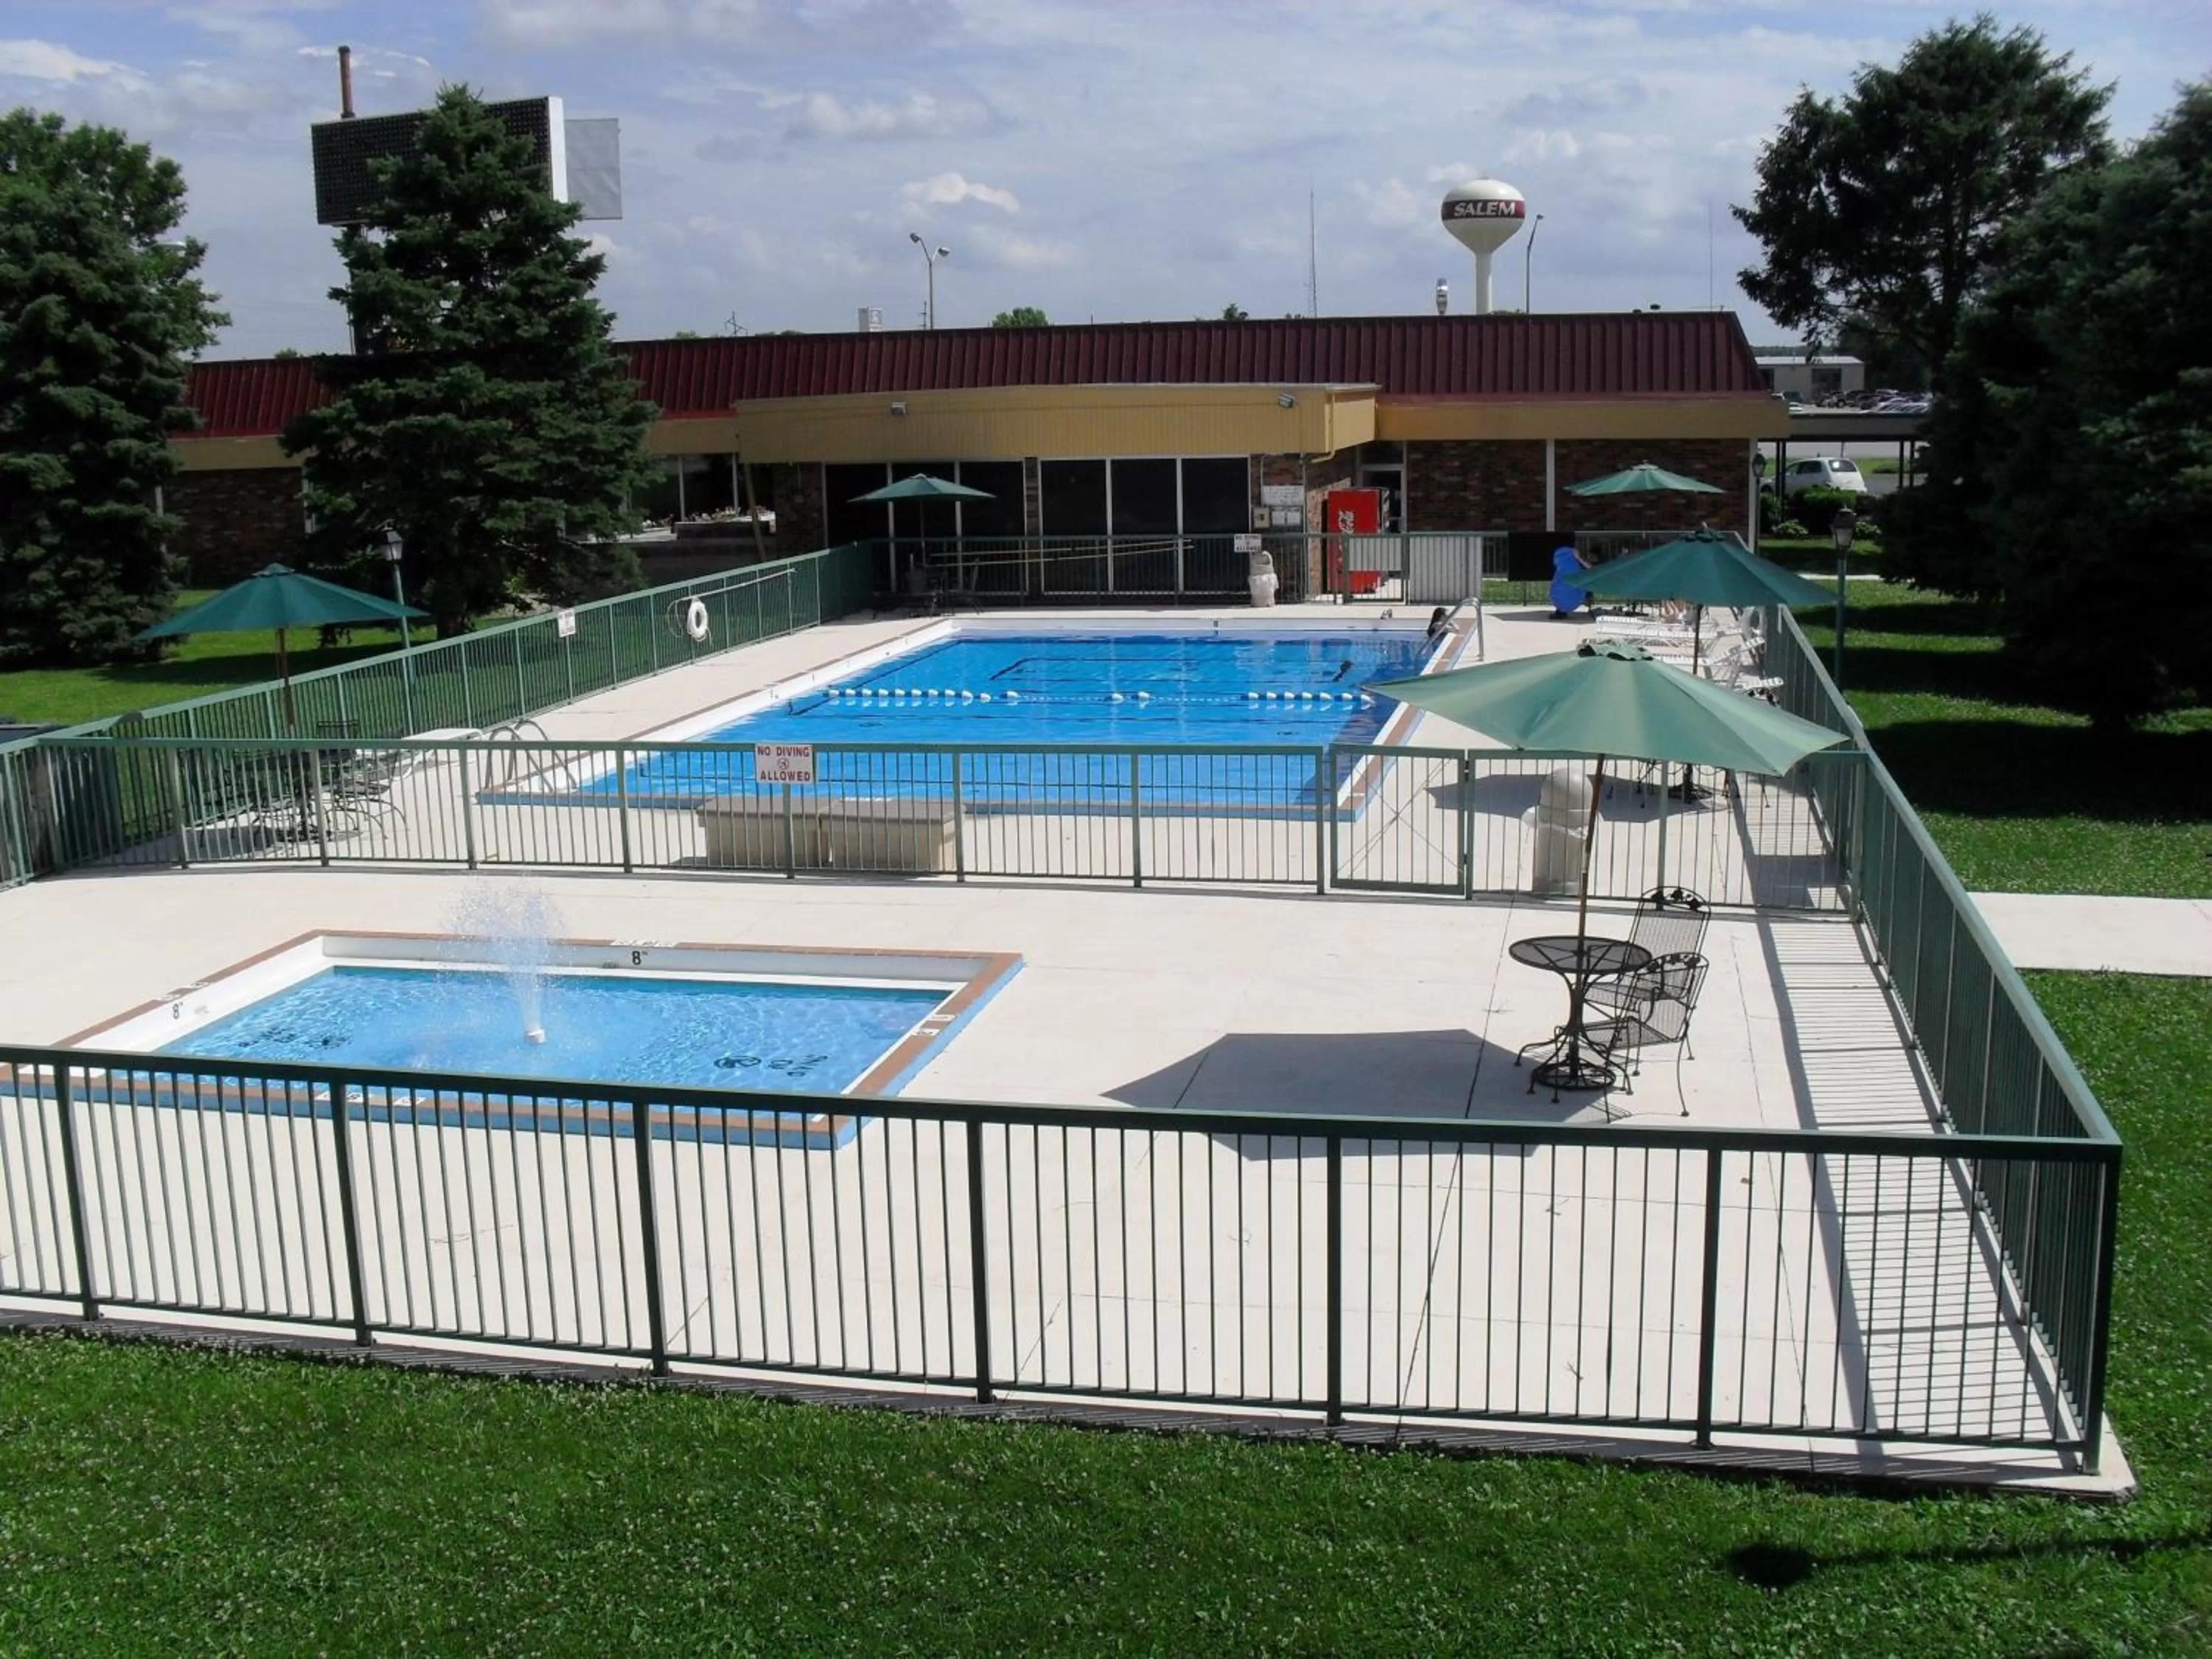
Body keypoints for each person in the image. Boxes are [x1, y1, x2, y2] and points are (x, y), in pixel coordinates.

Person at [1549, 545, 1593, 619]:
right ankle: (1588, 601)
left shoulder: (1562, 567)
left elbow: (1555, 581)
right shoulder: (1564, 565)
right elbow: (1592, 569)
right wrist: (1578, 558)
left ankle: (1588, 601)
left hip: (1574, 583)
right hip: (1576, 580)